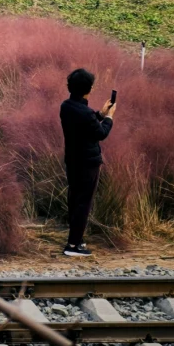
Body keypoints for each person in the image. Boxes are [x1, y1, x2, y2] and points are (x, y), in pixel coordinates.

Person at [59, 67, 115, 257]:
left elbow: (86, 124)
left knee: (75, 199)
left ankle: (76, 239)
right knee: (84, 202)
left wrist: (99, 113)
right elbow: (100, 133)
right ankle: (73, 246)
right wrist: (109, 117)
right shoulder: (84, 113)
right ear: (88, 89)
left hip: (73, 161)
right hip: (88, 163)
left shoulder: (66, 106)